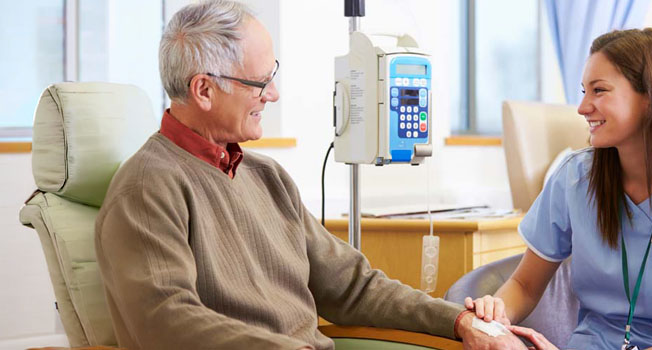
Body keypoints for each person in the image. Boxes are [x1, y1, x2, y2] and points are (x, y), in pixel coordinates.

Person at [94, 1, 525, 349]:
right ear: (203, 89)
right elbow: (163, 322)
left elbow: (354, 288)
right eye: (259, 83)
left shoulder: (267, 177)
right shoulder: (146, 188)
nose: (274, 94)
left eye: (272, 76)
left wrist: (460, 320)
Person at [466, 28, 652, 350]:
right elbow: (524, 286)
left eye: (599, 90)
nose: (582, 107)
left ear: (651, 97)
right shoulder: (574, 179)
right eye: (584, 91)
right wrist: (495, 318)